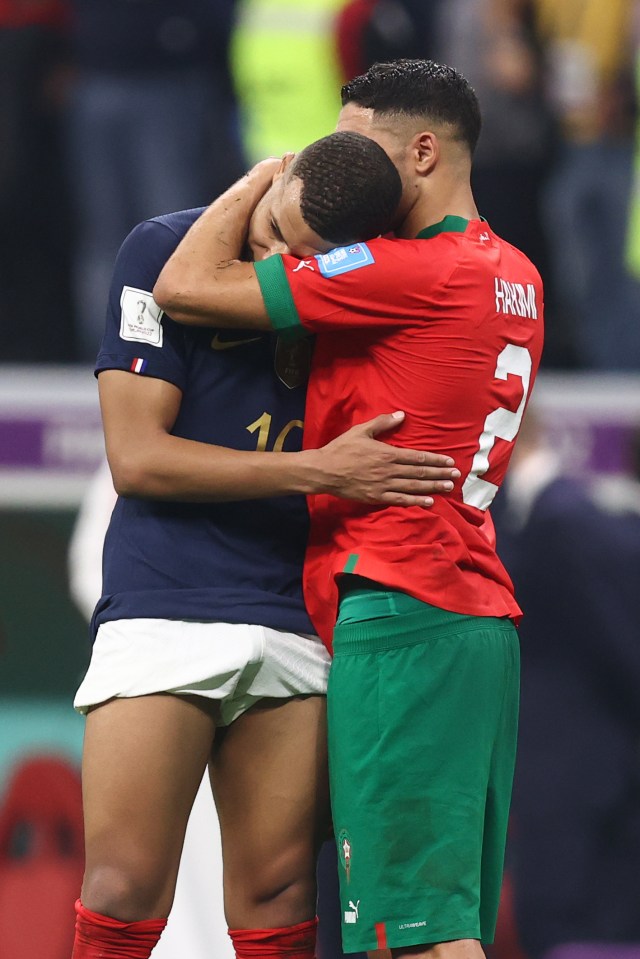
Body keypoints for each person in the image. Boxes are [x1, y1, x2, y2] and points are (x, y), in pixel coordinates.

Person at [154, 58, 545, 959]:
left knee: (419, 937)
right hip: (471, 615)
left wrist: (268, 179)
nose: (333, 167)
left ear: (419, 152)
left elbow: (181, 284)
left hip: (401, 610)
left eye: (352, 147)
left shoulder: (403, 268)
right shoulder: (512, 268)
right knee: (432, 925)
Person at [71, 130, 459, 959]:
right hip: (166, 599)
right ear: (275, 178)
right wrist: (320, 469)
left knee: (279, 891)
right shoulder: (163, 248)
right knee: (125, 885)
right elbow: (137, 459)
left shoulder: (369, 290)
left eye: (303, 258)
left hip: (298, 611)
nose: (274, 258)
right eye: (275, 230)